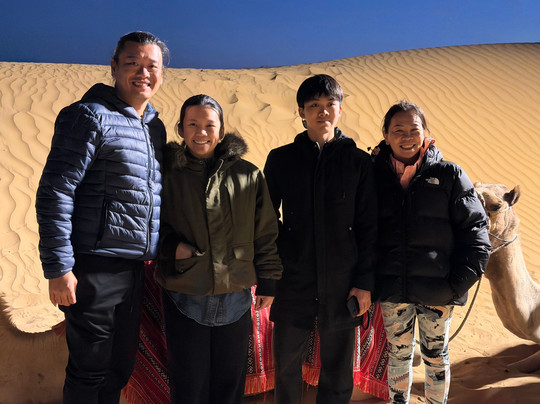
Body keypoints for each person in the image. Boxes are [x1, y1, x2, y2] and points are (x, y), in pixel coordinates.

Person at [35, 31, 168, 404]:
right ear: (114, 66)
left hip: (135, 269)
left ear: (162, 73)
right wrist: (59, 268)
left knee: (119, 368)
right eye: (132, 63)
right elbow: (55, 191)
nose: (143, 73)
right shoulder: (88, 116)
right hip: (93, 266)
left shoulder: (154, 128)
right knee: (89, 370)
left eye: (152, 66)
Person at [155, 94, 283, 404]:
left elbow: (266, 231)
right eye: (192, 124)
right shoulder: (166, 174)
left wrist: (269, 280)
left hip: (236, 294)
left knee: (229, 386)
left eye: (209, 125)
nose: (201, 132)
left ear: (221, 130)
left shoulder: (248, 174)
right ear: (181, 129)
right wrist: (172, 247)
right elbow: (147, 222)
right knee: (189, 386)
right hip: (184, 292)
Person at [263, 74, 378, 404]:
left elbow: (369, 226)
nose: (322, 111)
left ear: (340, 109)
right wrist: (270, 279)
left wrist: (364, 283)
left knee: (338, 374)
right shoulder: (281, 159)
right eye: (314, 105)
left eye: (330, 104)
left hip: (343, 284)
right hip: (292, 281)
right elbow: (266, 223)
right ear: (301, 111)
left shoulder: (359, 162)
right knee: (286, 369)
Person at [371, 100, 491, 404]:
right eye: (398, 129)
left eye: (414, 129)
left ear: (425, 132)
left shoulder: (449, 175)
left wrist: (456, 285)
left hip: (439, 292)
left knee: (436, 357)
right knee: (398, 356)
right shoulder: (372, 175)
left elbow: (477, 232)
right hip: (392, 289)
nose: (407, 136)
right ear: (385, 135)